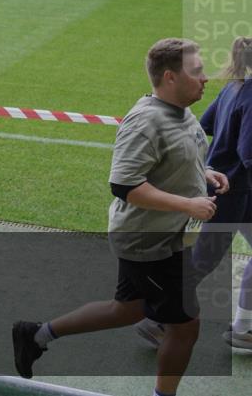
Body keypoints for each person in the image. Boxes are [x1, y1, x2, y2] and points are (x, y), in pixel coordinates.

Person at [13, 38, 228, 396]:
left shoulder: (182, 110)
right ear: (171, 77)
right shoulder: (146, 121)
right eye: (197, 71)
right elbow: (125, 185)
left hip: (168, 235)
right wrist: (188, 205)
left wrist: (204, 174)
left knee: (127, 309)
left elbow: (177, 156)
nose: (206, 78)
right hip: (150, 241)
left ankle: (36, 334)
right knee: (186, 325)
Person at [134, 37, 252, 351]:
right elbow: (248, 153)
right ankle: (156, 320)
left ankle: (244, 328)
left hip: (231, 189)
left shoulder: (234, 87)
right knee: (203, 260)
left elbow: (207, 122)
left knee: (204, 259)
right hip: (231, 192)